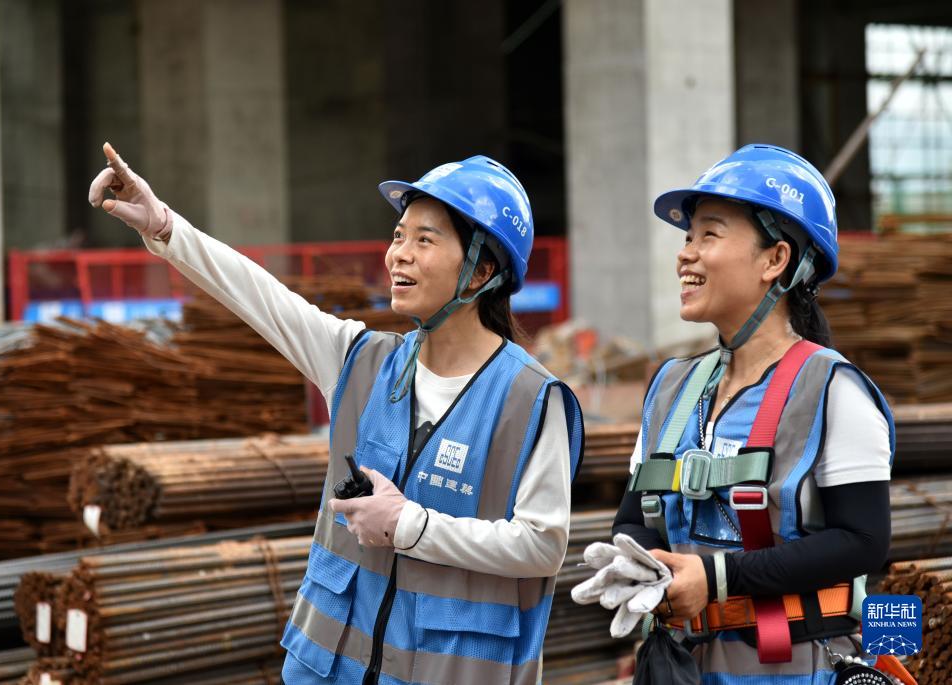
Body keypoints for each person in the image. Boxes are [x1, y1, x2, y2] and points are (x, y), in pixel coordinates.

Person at [88, 145, 584, 685]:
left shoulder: (532, 399)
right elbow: (261, 297)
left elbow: (542, 545)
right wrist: (165, 227)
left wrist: (409, 526)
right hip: (325, 671)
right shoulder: (360, 362)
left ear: (481, 270)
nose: (399, 254)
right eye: (399, 235)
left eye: (425, 239)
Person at [612, 144, 895, 682]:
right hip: (682, 663)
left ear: (775, 260)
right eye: (688, 236)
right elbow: (634, 517)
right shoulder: (671, 389)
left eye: (709, 235)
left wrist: (716, 579)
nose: (685, 254)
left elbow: (864, 541)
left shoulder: (831, 391)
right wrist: (645, 569)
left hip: (792, 665)